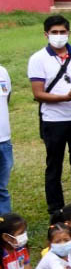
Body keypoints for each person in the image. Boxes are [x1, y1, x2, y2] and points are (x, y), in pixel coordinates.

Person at [29, 14, 71, 216]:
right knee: (54, 165)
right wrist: (65, 97)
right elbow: (38, 93)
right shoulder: (38, 59)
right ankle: (55, 208)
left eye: (62, 32)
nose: (59, 36)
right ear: (46, 34)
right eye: (54, 32)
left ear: (69, 33)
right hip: (54, 120)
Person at [0, 58, 10, 215]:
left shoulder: (2, 72)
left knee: (2, 187)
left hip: (4, 139)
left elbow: (7, 99)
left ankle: (7, 228)